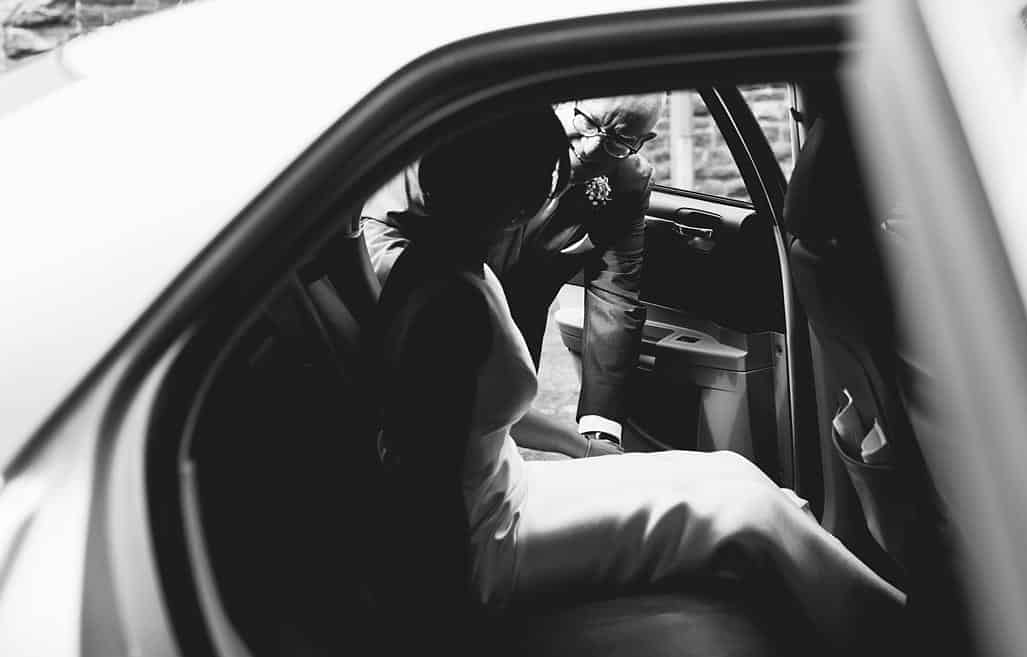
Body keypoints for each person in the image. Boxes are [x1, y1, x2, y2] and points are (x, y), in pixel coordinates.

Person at [371, 106, 905, 653]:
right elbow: (425, 477)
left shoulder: (446, 264)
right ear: (510, 198)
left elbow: (475, 414)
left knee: (733, 474)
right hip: (486, 544)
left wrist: (587, 447)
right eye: (540, 180)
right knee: (748, 514)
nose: (545, 194)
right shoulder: (448, 304)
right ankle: (903, 637)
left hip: (502, 493)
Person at [363, 94, 664, 458]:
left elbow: (614, 297)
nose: (592, 146)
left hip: (516, 345)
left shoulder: (627, 184)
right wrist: (437, 307)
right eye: (587, 122)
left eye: (618, 139)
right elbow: (379, 229)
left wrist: (599, 435)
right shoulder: (475, 137)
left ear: (641, 143)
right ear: (566, 100)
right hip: (417, 333)